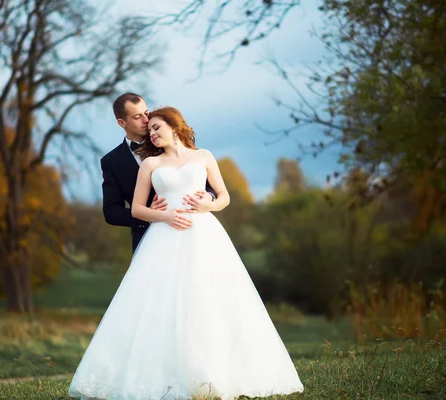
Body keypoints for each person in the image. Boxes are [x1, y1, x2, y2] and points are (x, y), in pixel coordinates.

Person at [68, 106, 304, 399]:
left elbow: (224, 196)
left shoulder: (203, 156)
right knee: (164, 304)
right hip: (164, 238)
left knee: (210, 299)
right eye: (149, 129)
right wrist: (165, 217)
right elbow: (139, 208)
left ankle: (215, 375)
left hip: (205, 235)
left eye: (156, 127)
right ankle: (168, 375)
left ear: (174, 125)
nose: (151, 133)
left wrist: (209, 204)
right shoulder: (150, 166)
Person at [100, 93, 215, 252]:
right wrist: (149, 216)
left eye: (146, 113)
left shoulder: (172, 141)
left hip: (192, 229)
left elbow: (207, 182)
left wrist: (209, 197)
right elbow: (111, 212)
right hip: (148, 240)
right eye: (137, 117)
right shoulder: (111, 161)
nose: (146, 120)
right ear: (122, 122)